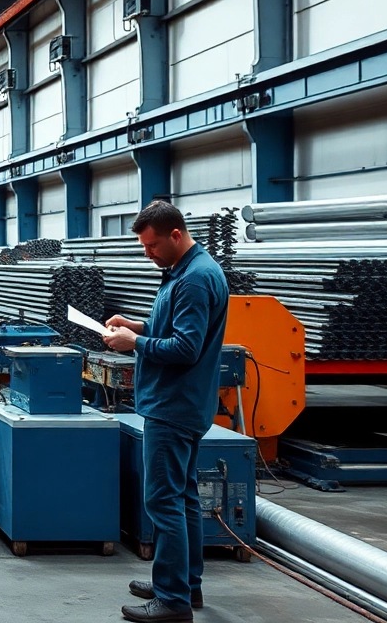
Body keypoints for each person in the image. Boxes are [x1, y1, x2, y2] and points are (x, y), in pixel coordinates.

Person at [102, 200, 229, 623]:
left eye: (152, 245)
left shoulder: (194, 280)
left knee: (163, 501)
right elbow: (176, 329)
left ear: (176, 235)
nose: (148, 253)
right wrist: (139, 327)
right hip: (185, 403)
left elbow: (186, 349)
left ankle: (172, 600)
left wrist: (133, 345)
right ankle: (184, 584)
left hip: (173, 406)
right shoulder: (188, 271)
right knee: (183, 496)